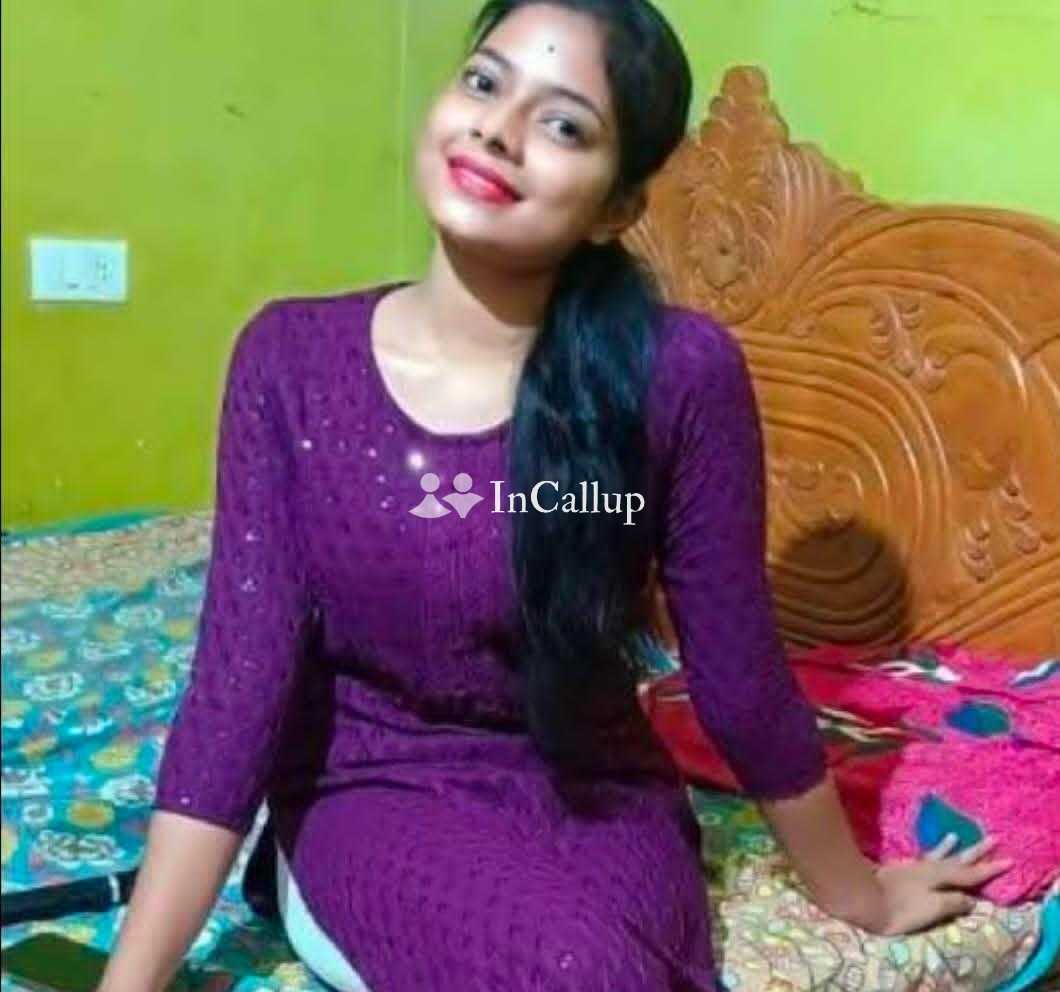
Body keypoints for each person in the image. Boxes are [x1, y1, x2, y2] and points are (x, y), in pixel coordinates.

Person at [97, 2, 1013, 990]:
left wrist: (857, 894)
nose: (498, 129)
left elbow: (738, 671)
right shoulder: (290, 361)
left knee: (602, 970)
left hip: (598, 788)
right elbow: (237, 694)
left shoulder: (676, 376)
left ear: (617, 207)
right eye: (484, 82)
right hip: (371, 782)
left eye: (564, 123)